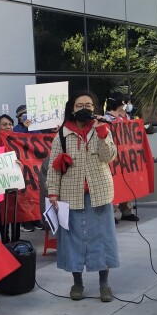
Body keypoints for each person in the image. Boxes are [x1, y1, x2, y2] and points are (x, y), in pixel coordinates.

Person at [46, 90, 119, 303]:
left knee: (102, 239)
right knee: (73, 240)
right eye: (79, 106)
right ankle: (77, 283)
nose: (84, 109)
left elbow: (109, 157)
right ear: (72, 108)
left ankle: (104, 284)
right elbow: (53, 165)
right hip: (71, 194)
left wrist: (103, 133)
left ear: (95, 108)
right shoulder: (62, 133)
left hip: (99, 193)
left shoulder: (101, 129)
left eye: (88, 105)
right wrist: (53, 191)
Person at [103, 93, 139, 222]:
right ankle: (111, 213)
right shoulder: (106, 119)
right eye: (126, 103)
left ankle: (127, 210)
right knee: (114, 185)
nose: (128, 105)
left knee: (127, 183)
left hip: (126, 157)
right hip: (113, 158)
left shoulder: (126, 117)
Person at [0, 114, 20, 242]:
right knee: (4, 211)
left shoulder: (18, 139)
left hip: (16, 179)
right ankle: (5, 240)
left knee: (16, 210)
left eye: (10, 124)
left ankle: (16, 240)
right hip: (1, 181)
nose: (8, 127)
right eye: (4, 125)